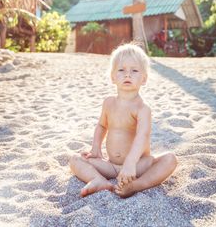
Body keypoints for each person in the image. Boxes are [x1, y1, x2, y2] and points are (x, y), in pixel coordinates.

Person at [69, 43, 177, 198]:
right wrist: (95, 147)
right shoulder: (108, 103)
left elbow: (142, 136)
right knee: (75, 159)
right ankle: (98, 180)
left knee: (170, 159)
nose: (128, 75)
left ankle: (135, 185)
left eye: (134, 70)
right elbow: (101, 125)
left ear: (144, 79)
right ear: (113, 77)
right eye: (121, 70)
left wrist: (131, 163)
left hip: (138, 165)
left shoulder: (142, 109)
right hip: (111, 166)